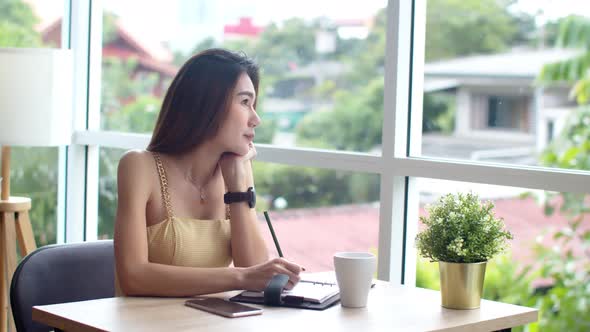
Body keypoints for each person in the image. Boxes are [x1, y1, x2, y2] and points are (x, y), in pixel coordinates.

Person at [114, 49, 303, 297]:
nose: (255, 118)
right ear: (207, 104)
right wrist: (240, 277)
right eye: (245, 102)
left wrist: (239, 186)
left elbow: (254, 271)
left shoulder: (234, 176)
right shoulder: (139, 167)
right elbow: (134, 277)